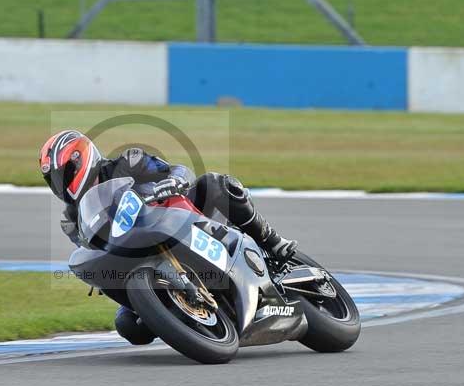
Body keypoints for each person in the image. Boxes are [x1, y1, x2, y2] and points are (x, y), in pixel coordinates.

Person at [40, 129, 298, 345]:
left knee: (215, 183)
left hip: (176, 215)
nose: (61, 183)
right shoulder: (71, 219)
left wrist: (171, 181)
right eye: (54, 179)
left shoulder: (128, 162)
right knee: (129, 326)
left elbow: (179, 170)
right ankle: (194, 315)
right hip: (134, 255)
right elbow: (92, 249)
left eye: (65, 172)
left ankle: (271, 241)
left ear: (82, 158)